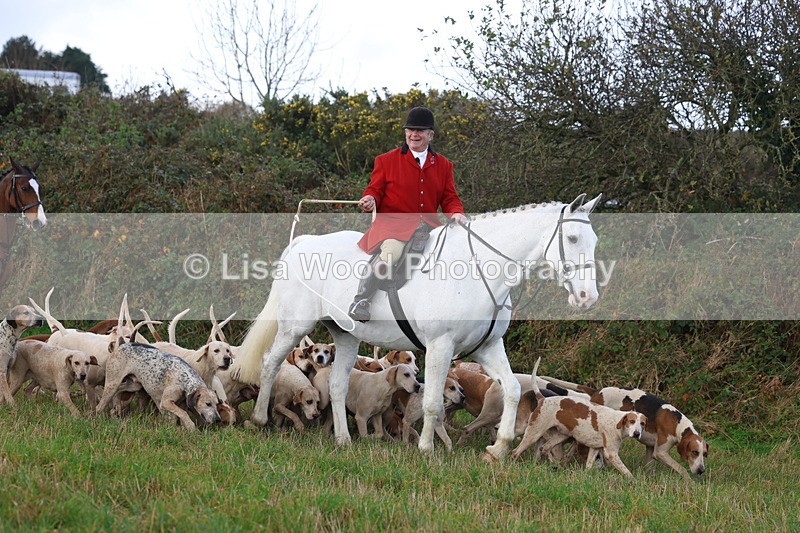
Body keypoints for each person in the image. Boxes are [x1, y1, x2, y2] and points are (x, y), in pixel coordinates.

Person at [348, 106, 468, 322]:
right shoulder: (386, 160)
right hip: (393, 225)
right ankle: (361, 299)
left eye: (420, 131)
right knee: (391, 253)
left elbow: (449, 198)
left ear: (430, 135)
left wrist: (457, 213)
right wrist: (370, 199)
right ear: (405, 133)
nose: (414, 134)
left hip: (430, 227)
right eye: (410, 130)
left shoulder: (443, 165)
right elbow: (375, 189)